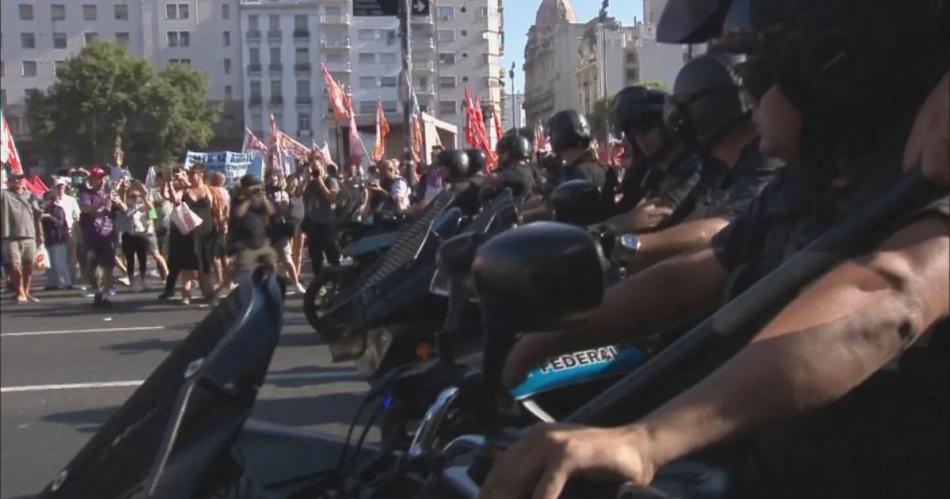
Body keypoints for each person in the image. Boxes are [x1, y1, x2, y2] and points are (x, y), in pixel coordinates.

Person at [480, 0, 948, 498]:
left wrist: (646, 440)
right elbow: (699, 273)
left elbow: (885, 294)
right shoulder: (806, 184)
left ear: (830, 69)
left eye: (758, 74)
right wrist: (552, 337)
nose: (748, 97)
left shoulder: (927, 181)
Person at [610, 53, 783, 273]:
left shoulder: (766, 163)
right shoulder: (715, 169)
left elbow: (726, 226)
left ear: (707, 109)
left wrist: (629, 246)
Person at [605, 86, 704, 232]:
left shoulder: (691, 167)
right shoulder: (654, 171)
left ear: (667, 125)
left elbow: (655, 214)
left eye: (646, 128)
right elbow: (632, 209)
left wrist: (601, 231)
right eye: (633, 132)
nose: (639, 138)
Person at [223, 175, 277, 286]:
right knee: (244, 273)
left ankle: (266, 286)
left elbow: (271, 212)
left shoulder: (260, 199)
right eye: (252, 186)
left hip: (261, 243)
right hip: (245, 245)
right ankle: (224, 287)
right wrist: (248, 197)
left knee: (272, 265)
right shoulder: (237, 199)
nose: (255, 189)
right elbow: (238, 213)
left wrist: (264, 198)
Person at [77, 167, 117, 308]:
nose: (100, 181)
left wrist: (117, 198)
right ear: (92, 179)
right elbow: (89, 210)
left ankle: (106, 296)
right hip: (92, 236)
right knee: (91, 268)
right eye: (97, 178)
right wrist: (104, 201)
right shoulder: (86, 194)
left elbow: (123, 210)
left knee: (108, 268)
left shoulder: (110, 194)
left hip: (108, 236)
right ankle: (97, 290)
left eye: (102, 178)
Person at [1, 173, 43, 304]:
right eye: (15, 179)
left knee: (28, 266)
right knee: (14, 266)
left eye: (20, 179)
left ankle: (26, 291)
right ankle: (20, 291)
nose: (18, 182)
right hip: (10, 236)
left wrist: (41, 234)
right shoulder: (4, 195)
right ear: (9, 182)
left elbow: (38, 217)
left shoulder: (31, 196)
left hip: (29, 235)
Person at [303, 152, 342, 277]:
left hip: (328, 223)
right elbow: (298, 193)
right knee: (315, 256)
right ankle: (319, 282)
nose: (314, 171)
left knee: (332, 254)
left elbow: (332, 198)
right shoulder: (309, 182)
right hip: (314, 223)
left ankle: (338, 280)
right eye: (312, 168)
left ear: (322, 166)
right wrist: (305, 178)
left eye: (317, 168)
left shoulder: (330, 180)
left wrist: (319, 181)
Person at [267, 172, 306, 294]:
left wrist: (275, 203)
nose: (273, 183)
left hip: (279, 229)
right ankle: (271, 286)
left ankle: (296, 283)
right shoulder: (263, 194)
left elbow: (283, 210)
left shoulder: (283, 194)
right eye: (271, 180)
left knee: (287, 258)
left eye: (275, 180)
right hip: (267, 230)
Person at [118, 183, 158, 291]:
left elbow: (151, 209)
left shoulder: (143, 207)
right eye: (133, 196)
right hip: (129, 235)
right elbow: (121, 200)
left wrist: (144, 196)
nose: (135, 198)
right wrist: (123, 189)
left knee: (143, 260)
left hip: (141, 236)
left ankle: (143, 281)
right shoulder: (126, 206)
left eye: (137, 196)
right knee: (130, 260)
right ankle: (132, 282)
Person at [488, 134, 537, 202]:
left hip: (518, 211)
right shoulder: (529, 170)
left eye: (502, 153)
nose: (500, 158)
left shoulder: (518, 171)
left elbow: (493, 178)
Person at [51, 177, 81, 282]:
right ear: (54, 188)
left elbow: (77, 215)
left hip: (70, 231)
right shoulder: (52, 202)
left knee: (72, 257)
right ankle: (62, 279)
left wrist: (77, 228)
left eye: (62, 187)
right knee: (60, 258)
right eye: (58, 187)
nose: (60, 189)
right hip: (57, 234)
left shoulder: (71, 200)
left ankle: (72, 279)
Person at [41, 191, 72, 290]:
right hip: (48, 239)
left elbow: (60, 222)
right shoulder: (43, 211)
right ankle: (52, 283)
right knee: (49, 263)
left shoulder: (58, 209)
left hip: (58, 238)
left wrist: (50, 217)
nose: (45, 202)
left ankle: (65, 282)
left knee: (60, 262)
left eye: (47, 200)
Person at [208, 171, 231, 287]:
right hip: (223, 224)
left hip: (213, 224)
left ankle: (219, 280)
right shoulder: (226, 192)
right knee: (224, 255)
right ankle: (228, 281)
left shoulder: (212, 191)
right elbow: (228, 210)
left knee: (215, 255)